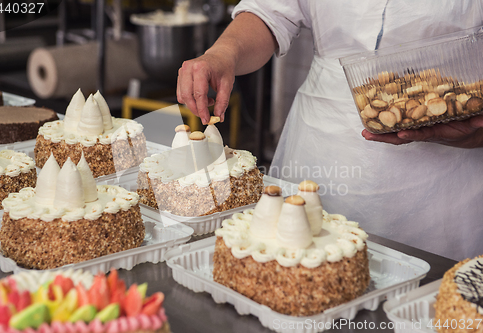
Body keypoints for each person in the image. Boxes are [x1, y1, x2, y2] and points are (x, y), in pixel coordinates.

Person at [176, 0, 483, 261]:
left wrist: (478, 135)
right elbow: (270, 11)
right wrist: (223, 53)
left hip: (443, 189)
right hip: (321, 150)